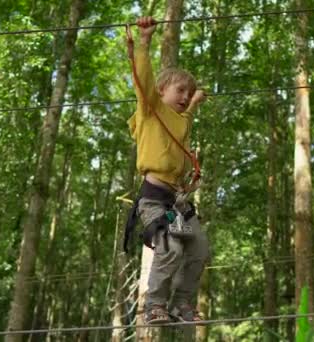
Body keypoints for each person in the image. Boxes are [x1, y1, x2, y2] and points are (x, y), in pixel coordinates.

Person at [124, 16, 209, 324]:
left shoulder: (181, 119)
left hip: (177, 202)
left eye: (190, 92)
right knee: (169, 247)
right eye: (181, 90)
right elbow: (143, 80)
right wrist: (144, 42)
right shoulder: (151, 109)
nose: (186, 96)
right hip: (153, 197)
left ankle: (182, 305)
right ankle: (155, 306)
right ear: (161, 90)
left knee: (199, 247)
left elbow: (185, 120)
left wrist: (195, 102)